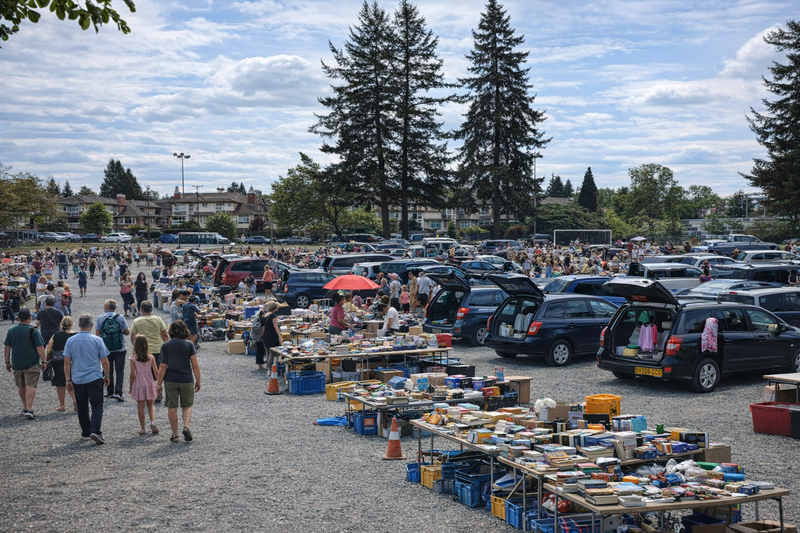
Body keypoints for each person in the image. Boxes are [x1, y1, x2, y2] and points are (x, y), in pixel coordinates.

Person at [65, 313, 110, 444]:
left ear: (79, 325)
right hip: (94, 377)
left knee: (82, 405)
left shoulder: (70, 340)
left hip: (78, 378)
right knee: (97, 405)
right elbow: (105, 360)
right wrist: (107, 375)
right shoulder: (97, 340)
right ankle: (95, 430)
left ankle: (85, 431)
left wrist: (68, 379)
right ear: (91, 326)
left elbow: (67, 361)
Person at [156, 320, 201, 443]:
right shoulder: (189, 344)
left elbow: (163, 366)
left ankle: (175, 435)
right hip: (186, 379)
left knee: (172, 406)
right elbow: (195, 365)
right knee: (186, 405)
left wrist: (158, 383)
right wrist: (198, 380)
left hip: (170, 380)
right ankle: (186, 427)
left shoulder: (166, 345)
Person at [4, 308, 47, 419]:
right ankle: (29, 408)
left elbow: (7, 348)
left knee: (21, 386)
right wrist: (44, 360)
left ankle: (24, 407)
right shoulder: (33, 331)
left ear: (18, 318)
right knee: (30, 385)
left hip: (17, 363)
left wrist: (7, 362)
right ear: (30, 318)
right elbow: (40, 348)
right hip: (31, 363)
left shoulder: (11, 331)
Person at [95, 300, 130, 401]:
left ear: (106, 307)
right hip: (120, 348)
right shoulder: (120, 317)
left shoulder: (100, 318)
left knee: (107, 369)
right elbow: (127, 332)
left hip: (106, 349)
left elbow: (97, 335)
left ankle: (110, 391)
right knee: (120, 370)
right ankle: (118, 392)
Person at [129, 336, 159, 435]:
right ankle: (153, 422)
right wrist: (159, 383)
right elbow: (156, 371)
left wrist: (130, 387)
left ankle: (143, 428)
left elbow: (133, 374)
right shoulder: (151, 357)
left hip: (139, 383)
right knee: (151, 404)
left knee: (140, 406)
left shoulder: (133, 358)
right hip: (149, 382)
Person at [46, 316, 77, 412]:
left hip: (58, 361)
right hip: (73, 361)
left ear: (61, 324)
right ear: (72, 324)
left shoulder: (56, 335)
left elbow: (49, 348)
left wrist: (47, 359)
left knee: (60, 384)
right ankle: (76, 400)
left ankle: (62, 405)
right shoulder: (76, 335)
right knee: (72, 382)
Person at [260, 302, 282, 375]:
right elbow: (275, 327)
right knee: (272, 354)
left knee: (267, 353)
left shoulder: (263, 316)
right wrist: (279, 336)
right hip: (272, 335)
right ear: (274, 308)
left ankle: (268, 369)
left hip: (266, 335)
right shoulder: (273, 316)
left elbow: (263, 327)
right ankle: (270, 370)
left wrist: (263, 335)